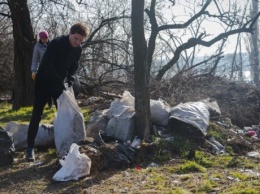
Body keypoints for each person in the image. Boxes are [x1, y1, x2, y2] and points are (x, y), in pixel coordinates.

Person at [25, 22, 89, 162]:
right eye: (75, 38)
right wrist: (58, 83)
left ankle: (64, 145)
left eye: (80, 40)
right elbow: (47, 64)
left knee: (64, 114)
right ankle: (29, 148)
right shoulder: (56, 43)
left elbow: (73, 67)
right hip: (43, 81)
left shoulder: (78, 49)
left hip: (59, 83)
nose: (77, 42)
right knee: (37, 114)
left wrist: (70, 79)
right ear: (70, 33)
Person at [31, 30, 52, 108]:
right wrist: (34, 71)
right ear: (40, 39)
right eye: (43, 38)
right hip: (43, 69)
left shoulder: (52, 44)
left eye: (46, 38)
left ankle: (55, 104)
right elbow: (35, 59)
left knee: (53, 87)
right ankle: (46, 104)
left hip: (53, 69)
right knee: (45, 88)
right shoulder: (37, 46)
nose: (45, 40)